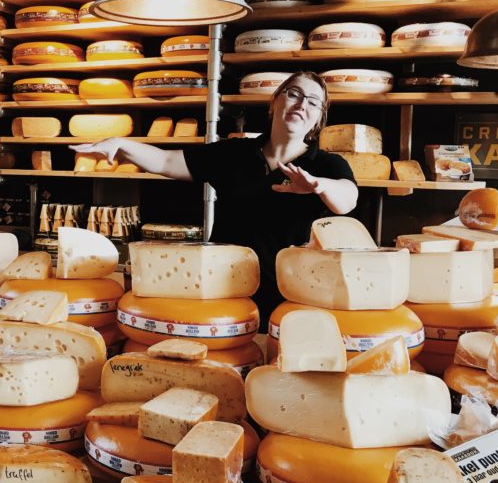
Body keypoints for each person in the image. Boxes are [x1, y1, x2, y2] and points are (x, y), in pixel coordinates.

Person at [71, 71, 359, 329]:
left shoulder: (325, 165)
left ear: (318, 119)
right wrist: (120, 144)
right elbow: (166, 161)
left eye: (313, 102)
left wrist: (318, 185)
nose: (301, 104)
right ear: (274, 102)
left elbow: (348, 198)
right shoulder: (234, 153)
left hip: (289, 295)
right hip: (222, 290)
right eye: (294, 94)